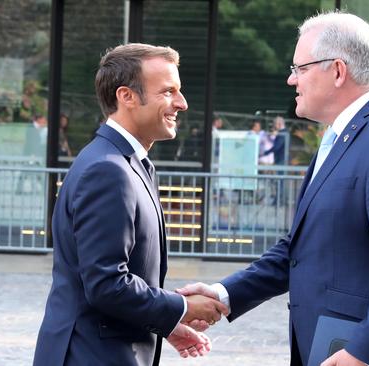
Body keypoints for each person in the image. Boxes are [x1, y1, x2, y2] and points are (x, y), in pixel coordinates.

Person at [178, 11, 369, 366]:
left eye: (300, 68)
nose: (292, 80)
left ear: (337, 71)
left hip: (363, 353)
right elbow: (301, 249)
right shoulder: (337, 138)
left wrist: (366, 352)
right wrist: (224, 293)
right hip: (329, 345)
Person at [33, 43, 228, 366]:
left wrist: (165, 324)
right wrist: (183, 307)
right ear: (127, 96)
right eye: (168, 92)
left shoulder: (126, 162)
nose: (182, 103)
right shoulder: (108, 169)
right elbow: (107, 284)